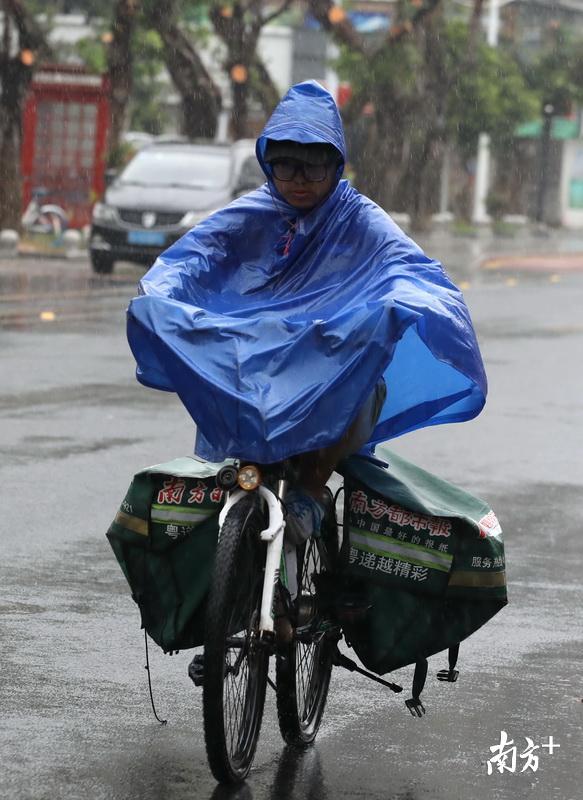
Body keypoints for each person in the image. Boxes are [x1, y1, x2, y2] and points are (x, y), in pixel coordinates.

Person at [127, 81, 487, 545]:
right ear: (267, 162)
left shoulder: (360, 219)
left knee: (365, 388)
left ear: (336, 166)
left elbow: (410, 269)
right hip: (257, 367)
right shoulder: (249, 214)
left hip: (328, 370)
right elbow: (188, 260)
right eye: (285, 164)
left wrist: (408, 303)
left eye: (314, 166)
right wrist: (159, 295)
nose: (298, 178)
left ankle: (312, 490)